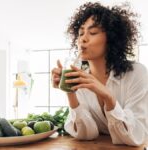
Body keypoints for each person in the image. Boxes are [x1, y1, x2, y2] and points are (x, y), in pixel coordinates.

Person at [51, 2, 148, 146]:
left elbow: (136, 136)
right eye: (81, 33)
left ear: (111, 39)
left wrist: (108, 98)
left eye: (93, 32)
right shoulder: (79, 78)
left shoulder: (136, 73)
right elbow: (87, 134)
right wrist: (70, 92)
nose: (83, 39)